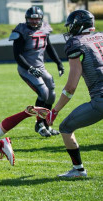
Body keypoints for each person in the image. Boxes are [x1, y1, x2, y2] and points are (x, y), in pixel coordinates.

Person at [46, 10, 103, 178]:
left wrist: (54, 111)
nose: (70, 29)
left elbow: (71, 87)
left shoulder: (76, 43)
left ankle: (78, 170)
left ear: (79, 25)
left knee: (65, 127)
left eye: (72, 26)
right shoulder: (100, 37)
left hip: (100, 99)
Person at [9, 6, 64, 137]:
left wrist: (59, 63)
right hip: (26, 68)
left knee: (51, 93)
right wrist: (30, 68)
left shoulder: (45, 28)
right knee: (43, 93)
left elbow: (49, 47)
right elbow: (18, 56)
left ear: (41, 19)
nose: (34, 22)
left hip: (40, 67)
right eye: (31, 19)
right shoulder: (21, 31)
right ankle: (39, 124)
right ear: (26, 19)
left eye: (37, 19)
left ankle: (46, 124)